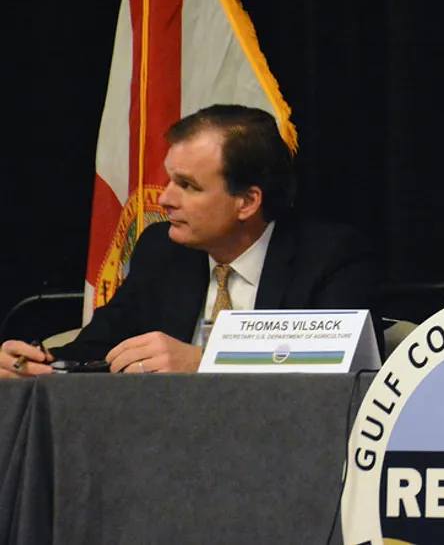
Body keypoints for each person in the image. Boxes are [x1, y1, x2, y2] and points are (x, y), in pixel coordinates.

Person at [0, 105, 375, 377]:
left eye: (188, 186)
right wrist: (37, 362)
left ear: (247, 202)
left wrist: (205, 362)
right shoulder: (162, 249)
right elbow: (98, 346)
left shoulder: (329, 256)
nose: (164, 199)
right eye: (169, 180)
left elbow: (332, 366)